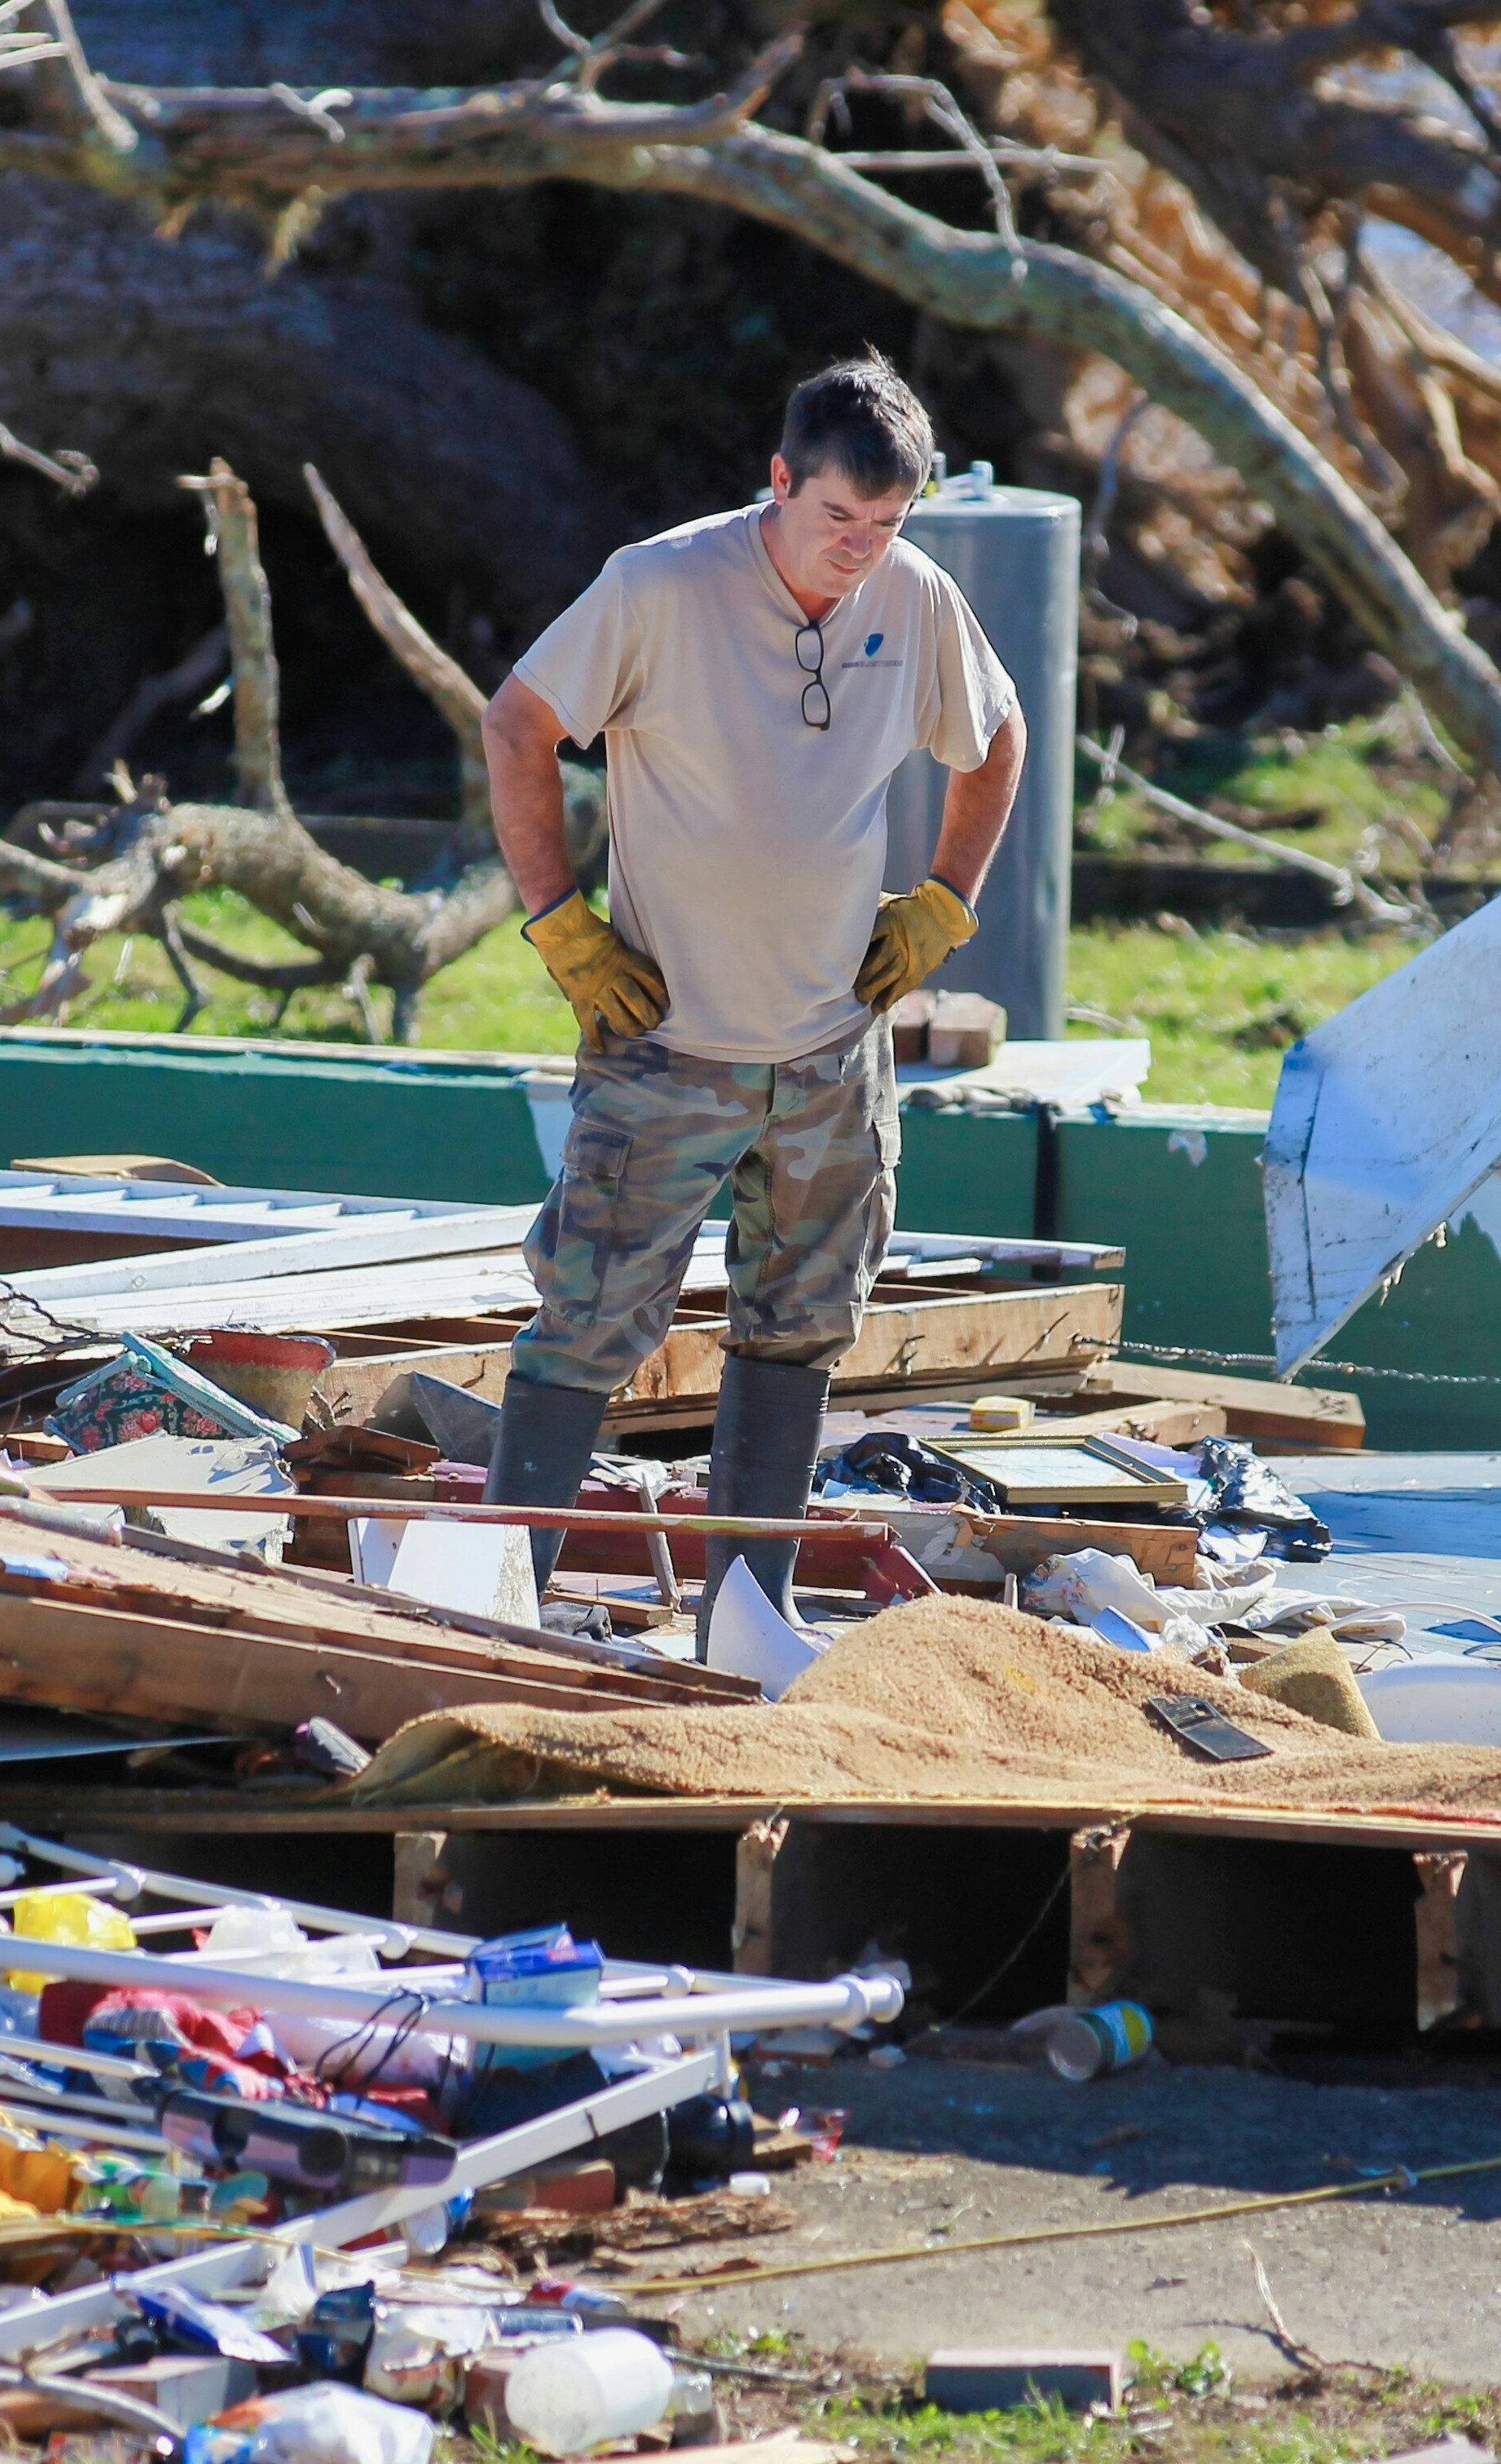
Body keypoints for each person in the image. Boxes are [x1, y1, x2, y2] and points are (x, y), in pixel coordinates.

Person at [474, 355, 1027, 1624]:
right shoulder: (659, 585)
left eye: (888, 526)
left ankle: (747, 1622)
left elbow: (995, 737)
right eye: (838, 519)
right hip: (668, 1042)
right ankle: (499, 1609)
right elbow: (517, 726)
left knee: (799, 1329)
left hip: (830, 1052)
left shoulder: (917, 595)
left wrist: (945, 897)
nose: (860, 549)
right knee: (586, 1324)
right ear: (778, 481)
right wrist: (561, 925)